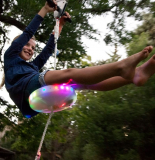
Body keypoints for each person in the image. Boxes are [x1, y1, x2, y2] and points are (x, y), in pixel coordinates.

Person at [3, 2, 155, 118]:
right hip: (28, 91)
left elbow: (48, 50)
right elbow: (29, 31)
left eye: (33, 48)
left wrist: (60, 25)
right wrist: (44, 10)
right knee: (69, 73)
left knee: (86, 84)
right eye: (27, 44)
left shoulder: (32, 67)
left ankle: (134, 76)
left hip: (31, 103)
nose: (30, 48)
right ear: (17, 45)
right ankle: (121, 67)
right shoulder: (10, 56)